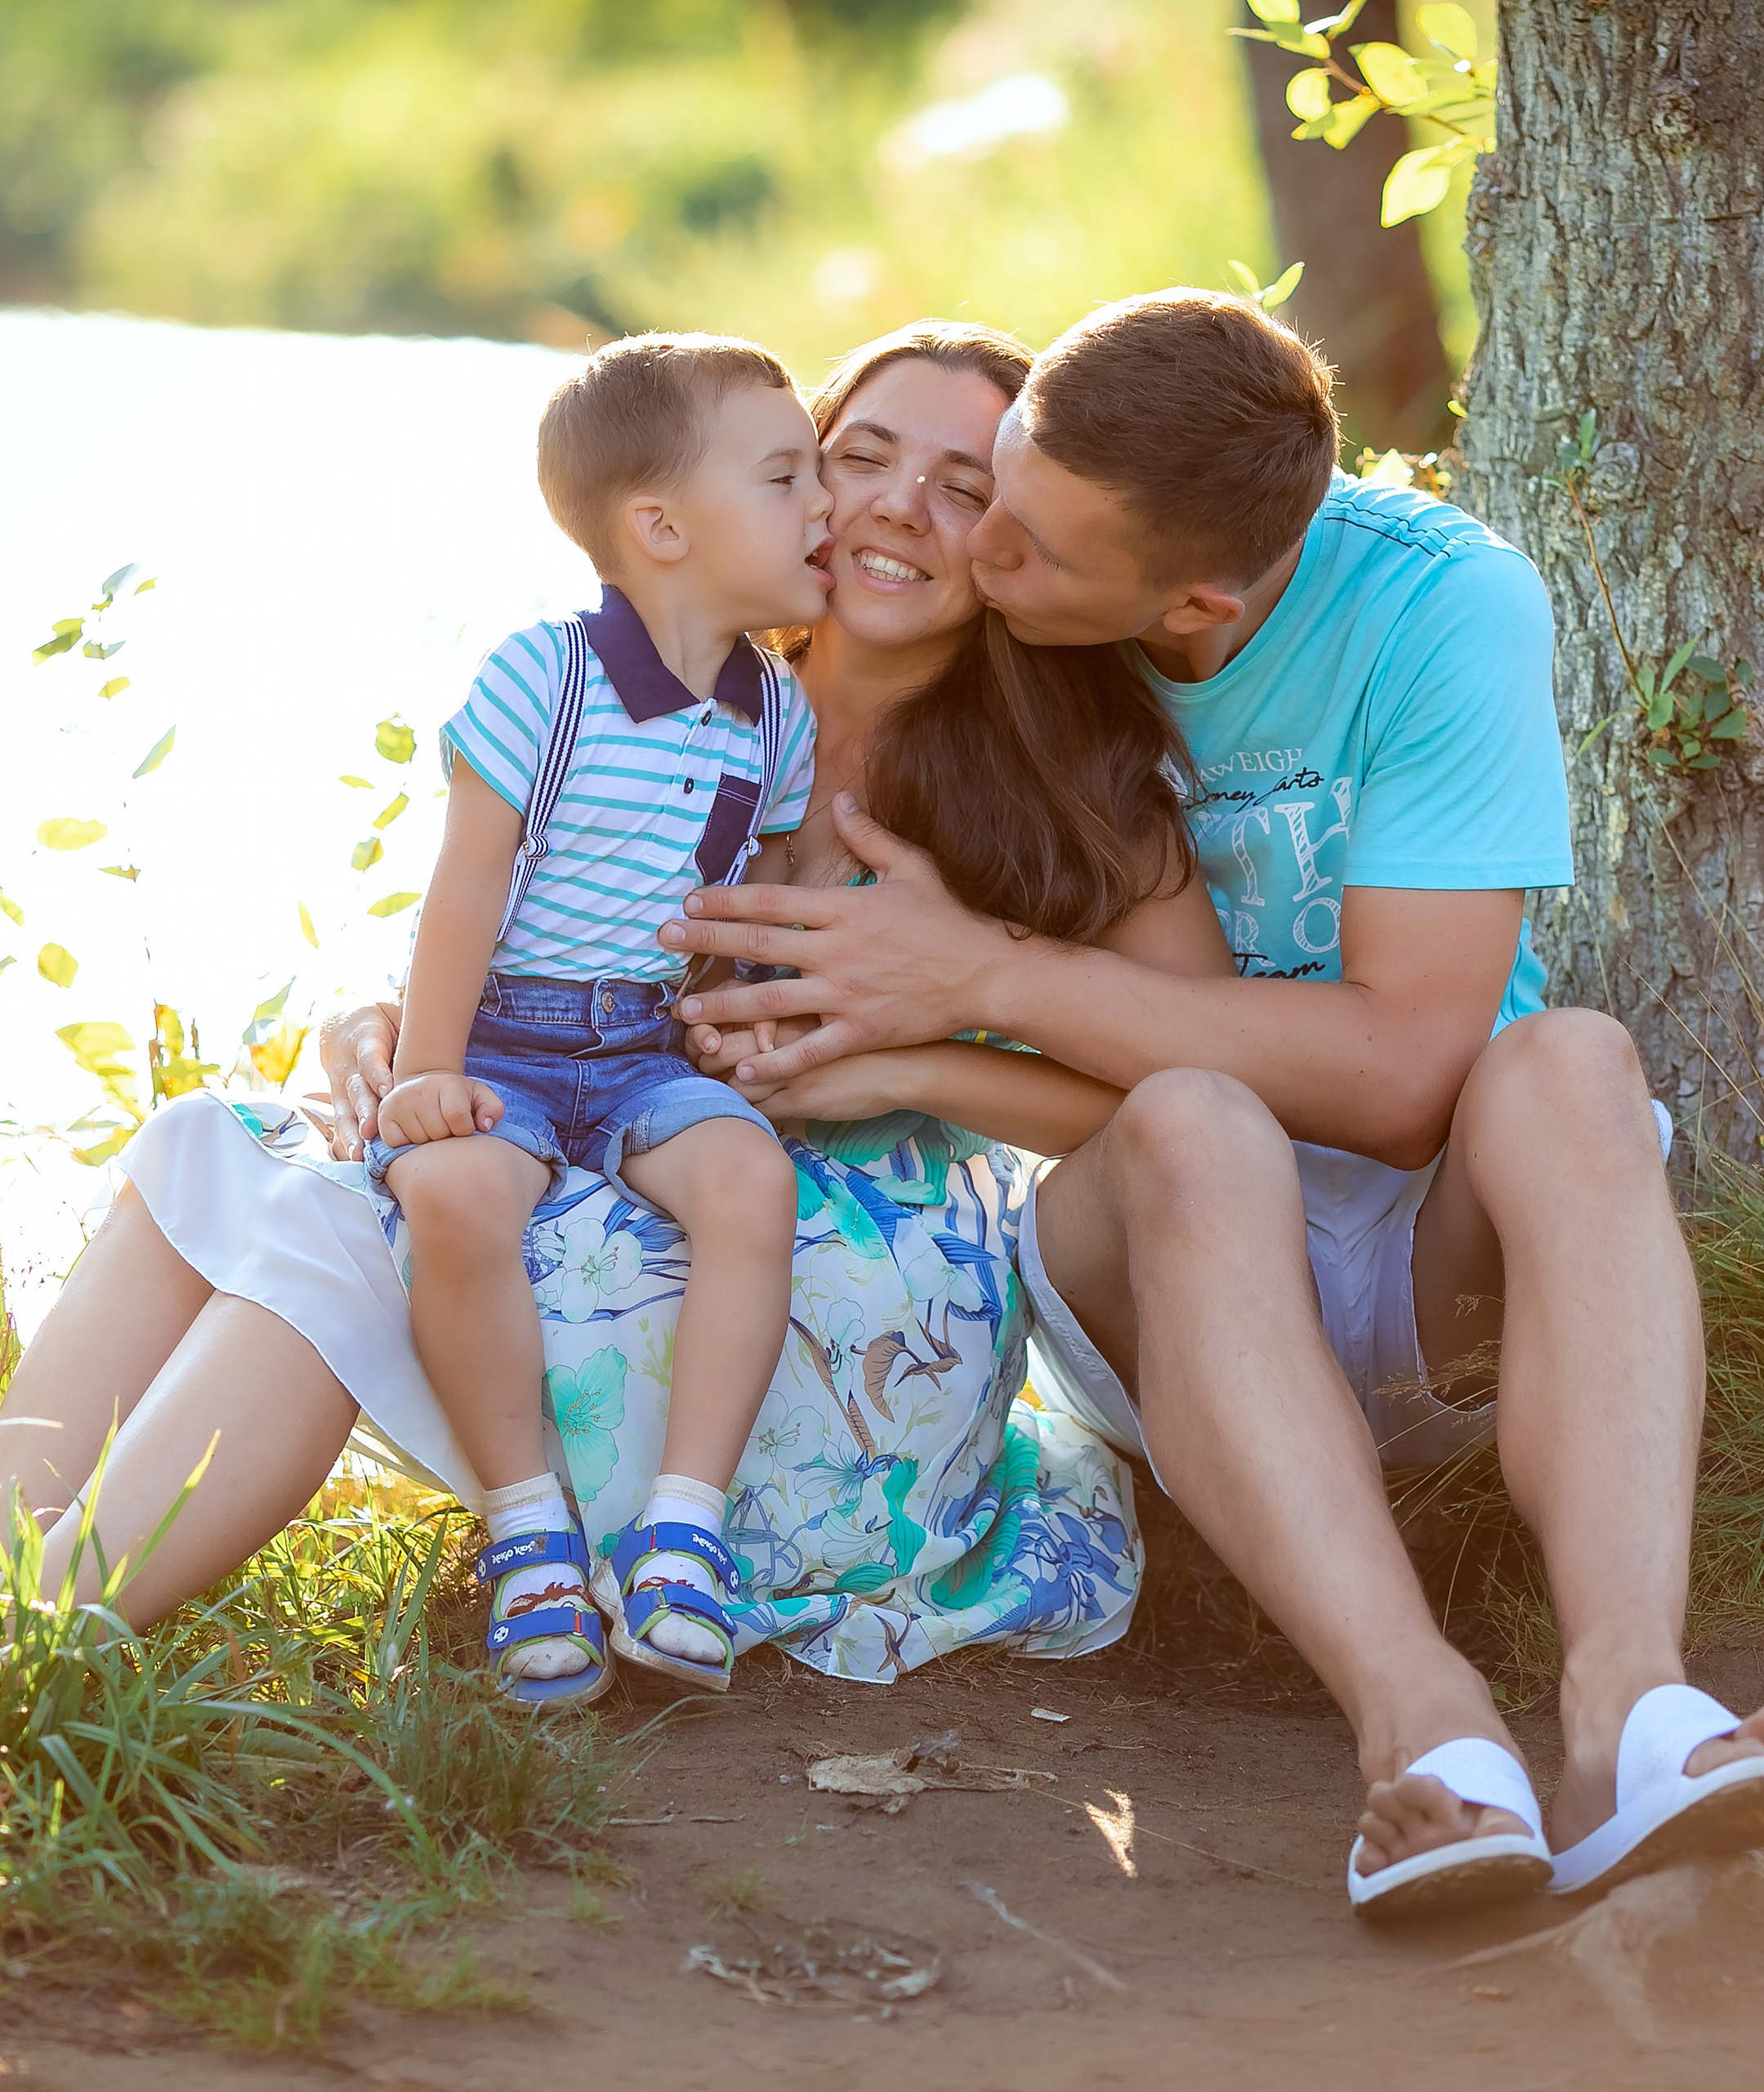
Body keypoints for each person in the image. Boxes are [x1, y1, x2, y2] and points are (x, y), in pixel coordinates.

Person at [659, 288, 1764, 1915]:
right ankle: (1425, 1731)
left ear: (1190, 603)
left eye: (1015, 531)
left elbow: (1404, 1083)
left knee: (1571, 1060)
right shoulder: (1025, 626)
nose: (976, 548)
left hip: (1435, 1255)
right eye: (988, 489)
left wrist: (980, 978)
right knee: (1194, 1121)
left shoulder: (1433, 607)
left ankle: (1630, 1714)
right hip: (1165, 1258)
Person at [0, 320, 1217, 1690]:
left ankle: (53, 1637)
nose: (893, 506)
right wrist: (383, 1020)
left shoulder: (1070, 788)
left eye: (961, 484)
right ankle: (15, 1567)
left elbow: (1180, 1108)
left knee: (351, 1221)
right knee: (212, 1146)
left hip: (854, 1291)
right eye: (859, 457)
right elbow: (538, 918)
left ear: (1014, 535)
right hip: (631, 1152)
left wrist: (913, 1063)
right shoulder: (687, 697)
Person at [367, 333, 831, 1705]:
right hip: (504, 1039)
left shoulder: (776, 714)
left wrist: (738, 1023)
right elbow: (467, 886)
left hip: (641, 1048)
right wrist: (426, 1069)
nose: (827, 505)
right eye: (787, 477)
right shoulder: (546, 677)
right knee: (454, 1192)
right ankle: (527, 1532)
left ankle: (684, 1527)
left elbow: (753, 902)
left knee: (750, 1180)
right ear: (662, 525)